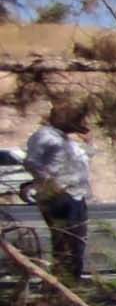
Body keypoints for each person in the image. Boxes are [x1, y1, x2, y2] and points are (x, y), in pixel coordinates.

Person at [23, 101, 92, 279]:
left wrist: (89, 142)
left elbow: (80, 161)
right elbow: (31, 162)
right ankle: (62, 284)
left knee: (77, 241)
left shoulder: (66, 140)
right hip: (58, 196)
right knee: (65, 241)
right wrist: (50, 183)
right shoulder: (44, 136)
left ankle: (71, 281)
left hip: (76, 195)